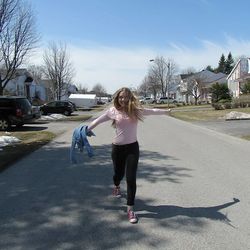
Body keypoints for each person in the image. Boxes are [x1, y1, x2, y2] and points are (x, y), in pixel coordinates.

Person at [87, 87, 170, 224]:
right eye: (120, 97)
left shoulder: (135, 111)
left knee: (131, 178)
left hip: (132, 148)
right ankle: (117, 186)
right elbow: (97, 121)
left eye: (125, 97)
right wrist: (86, 129)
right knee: (118, 174)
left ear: (130, 98)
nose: (123, 99)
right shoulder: (112, 111)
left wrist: (167, 111)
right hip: (117, 148)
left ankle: (130, 208)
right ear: (117, 98)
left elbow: (153, 111)